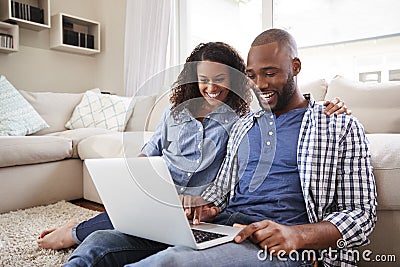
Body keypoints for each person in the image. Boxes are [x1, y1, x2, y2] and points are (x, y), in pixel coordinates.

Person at [62, 29, 374, 267]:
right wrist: (205, 206)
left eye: (270, 72)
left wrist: (297, 235)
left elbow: (361, 214)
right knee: (100, 244)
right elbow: (221, 190)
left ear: (295, 66)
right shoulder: (243, 125)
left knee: (174, 262)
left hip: (275, 242)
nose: (261, 84)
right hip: (223, 226)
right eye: (252, 75)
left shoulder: (338, 126)